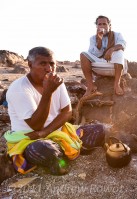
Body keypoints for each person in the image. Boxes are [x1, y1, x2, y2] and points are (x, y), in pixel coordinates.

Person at [4, 47, 105, 175]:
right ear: (30, 65)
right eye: (43, 63)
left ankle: (62, 152)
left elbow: (67, 112)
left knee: (99, 130)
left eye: (52, 64)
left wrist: (45, 132)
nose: (49, 68)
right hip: (31, 138)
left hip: (57, 132)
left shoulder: (56, 82)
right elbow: (36, 125)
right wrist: (48, 92)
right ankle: (63, 152)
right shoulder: (19, 88)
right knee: (43, 149)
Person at [80, 15, 127, 96]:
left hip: (114, 65)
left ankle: (116, 84)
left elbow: (122, 45)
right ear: (97, 26)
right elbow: (93, 54)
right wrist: (99, 40)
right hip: (99, 66)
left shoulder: (117, 35)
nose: (102, 26)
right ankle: (90, 86)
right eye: (99, 24)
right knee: (83, 54)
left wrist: (111, 49)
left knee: (119, 52)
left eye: (104, 24)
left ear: (109, 26)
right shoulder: (93, 38)